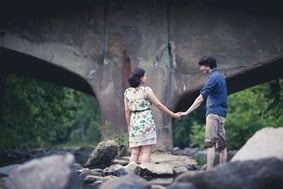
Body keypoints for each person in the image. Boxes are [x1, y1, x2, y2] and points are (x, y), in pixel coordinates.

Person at [124, 67, 181, 164]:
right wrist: (173, 115)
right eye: (145, 76)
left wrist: (129, 125)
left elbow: (127, 111)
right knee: (146, 151)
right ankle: (145, 173)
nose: (146, 78)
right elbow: (158, 105)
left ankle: (131, 174)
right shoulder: (146, 90)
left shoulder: (127, 92)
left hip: (134, 122)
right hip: (146, 121)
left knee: (134, 152)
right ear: (141, 78)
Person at [180, 55, 228, 171]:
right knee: (222, 146)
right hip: (222, 114)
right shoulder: (220, 77)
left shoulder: (212, 79)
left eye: (202, 66)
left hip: (213, 114)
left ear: (207, 66)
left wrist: (187, 112)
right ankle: (223, 171)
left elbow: (200, 99)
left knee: (209, 143)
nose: (201, 69)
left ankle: (210, 171)